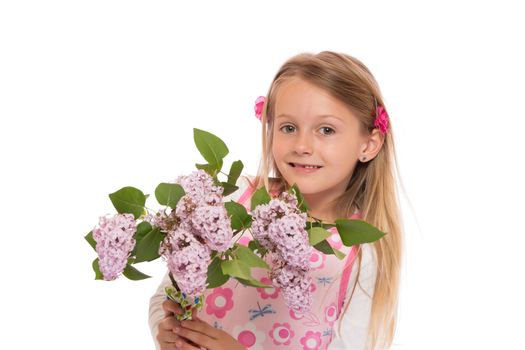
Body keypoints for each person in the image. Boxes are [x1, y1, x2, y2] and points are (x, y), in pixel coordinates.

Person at [149, 51, 403, 350]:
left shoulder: (362, 253)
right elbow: (167, 293)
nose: (302, 145)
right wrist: (165, 327)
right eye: (288, 127)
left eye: (326, 130)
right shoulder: (232, 201)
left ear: (369, 144)